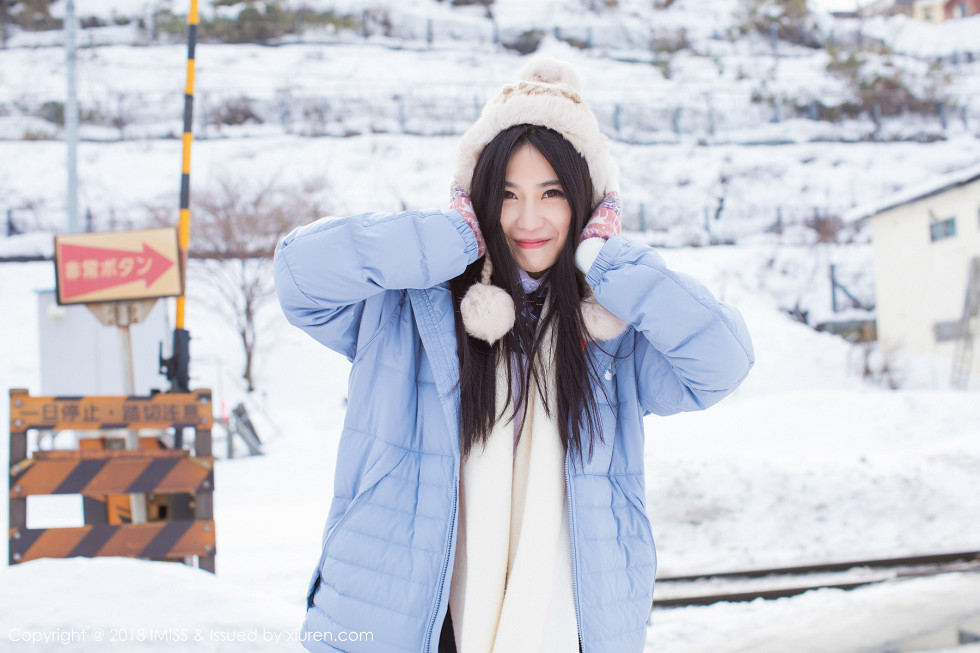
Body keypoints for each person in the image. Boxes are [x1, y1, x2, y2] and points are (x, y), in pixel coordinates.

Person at [274, 56, 754, 653]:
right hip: (406, 627)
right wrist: (452, 237)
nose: (529, 219)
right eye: (506, 194)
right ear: (477, 200)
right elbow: (299, 276)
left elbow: (722, 362)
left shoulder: (613, 334)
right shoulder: (406, 308)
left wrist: (607, 264)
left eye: (552, 193)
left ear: (586, 204)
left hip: (566, 630)